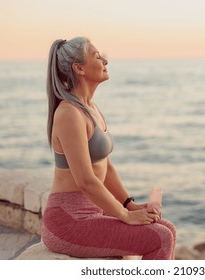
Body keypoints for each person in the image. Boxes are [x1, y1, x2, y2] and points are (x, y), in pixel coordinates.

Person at [41, 37, 176, 260]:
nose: (105, 60)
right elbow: (86, 179)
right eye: (96, 56)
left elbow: (105, 165)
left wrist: (129, 205)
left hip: (92, 211)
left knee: (167, 228)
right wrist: (123, 215)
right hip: (69, 221)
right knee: (161, 238)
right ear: (79, 68)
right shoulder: (69, 114)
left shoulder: (90, 108)